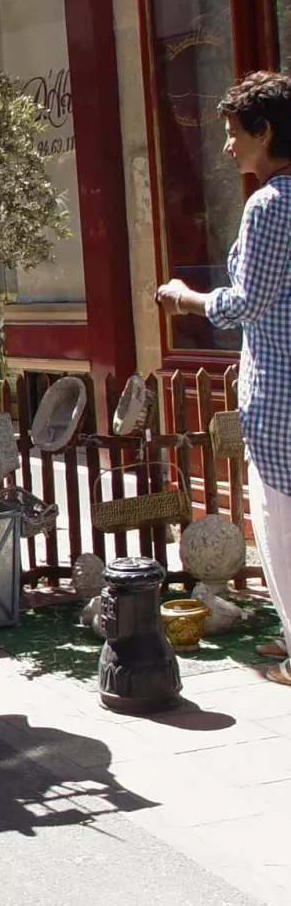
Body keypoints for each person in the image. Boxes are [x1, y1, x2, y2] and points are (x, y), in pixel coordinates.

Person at [157, 71, 291, 686]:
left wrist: (183, 298)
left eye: (236, 133)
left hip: (280, 394)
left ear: (266, 130)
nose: (229, 146)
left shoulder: (269, 204)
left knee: (277, 522)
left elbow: (244, 303)